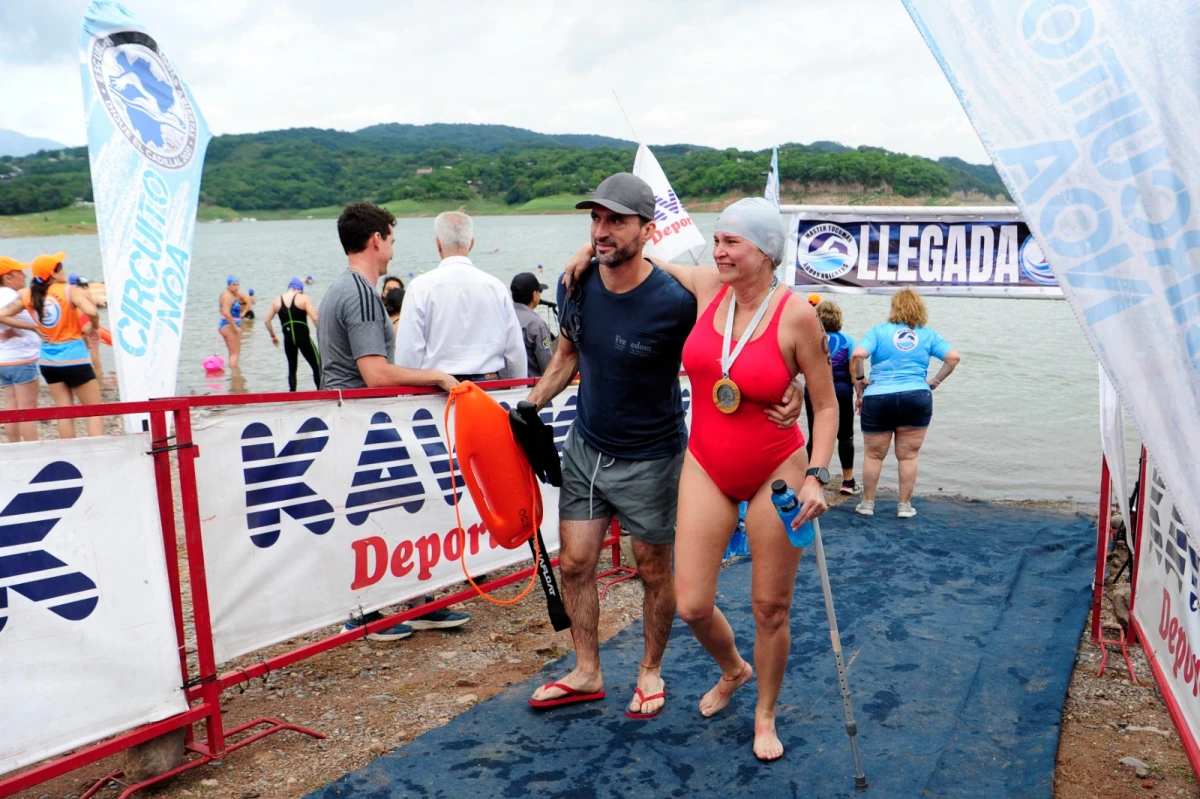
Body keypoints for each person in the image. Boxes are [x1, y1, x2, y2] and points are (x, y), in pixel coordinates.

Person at [564, 197, 834, 761]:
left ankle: (764, 713)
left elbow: (827, 406)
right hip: (707, 464)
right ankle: (733, 669)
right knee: (689, 604)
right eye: (716, 240)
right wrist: (587, 251)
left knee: (770, 607)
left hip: (775, 471)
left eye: (732, 242)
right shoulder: (710, 287)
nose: (719, 251)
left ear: (765, 251)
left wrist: (817, 476)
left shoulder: (796, 315)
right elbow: (646, 259)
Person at [317, 203, 466, 641]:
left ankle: (416, 600)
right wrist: (436, 376)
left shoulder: (343, 288)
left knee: (396, 510)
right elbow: (375, 372)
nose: (393, 250)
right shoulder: (361, 292)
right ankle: (366, 611)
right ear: (376, 240)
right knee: (369, 516)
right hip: (357, 422)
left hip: (357, 420)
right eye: (392, 240)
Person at [850, 287, 961, 518]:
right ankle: (904, 505)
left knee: (873, 455)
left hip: (878, 396)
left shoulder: (879, 331)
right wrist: (935, 381)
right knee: (908, 455)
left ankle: (868, 504)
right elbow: (953, 357)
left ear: (894, 308)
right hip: (916, 396)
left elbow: (858, 354)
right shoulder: (928, 334)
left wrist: (860, 380)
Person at [393, 212, 527, 381]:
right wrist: (518, 391)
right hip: (489, 388)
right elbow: (515, 350)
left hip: (438, 390)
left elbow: (408, 353)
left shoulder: (419, 288)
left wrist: (408, 398)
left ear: (438, 243)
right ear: (472, 243)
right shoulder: (495, 286)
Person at [0, 253, 104, 439]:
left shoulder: (28, 295)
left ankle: (68, 457)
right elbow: (92, 311)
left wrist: (33, 327)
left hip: (48, 362)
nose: (64, 270)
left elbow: (2, 315)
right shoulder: (69, 290)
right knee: (94, 412)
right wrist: (93, 327)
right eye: (60, 267)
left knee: (64, 413)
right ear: (54, 274)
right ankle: (97, 458)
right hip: (75, 358)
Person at [804, 300, 860, 494]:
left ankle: (809, 478)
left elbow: (801, 370)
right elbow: (854, 373)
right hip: (842, 393)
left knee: (814, 434)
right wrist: (860, 394)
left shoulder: (809, 339)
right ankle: (848, 482)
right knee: (845, 436)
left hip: (813, 392)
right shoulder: (847, 341)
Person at [0, 257, 40, 442]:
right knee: (27, 409)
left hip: (4, 359)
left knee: (12, 406)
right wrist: (20, 330)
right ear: (8, 277)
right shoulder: (12, 296)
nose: (24, 275)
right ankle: (33, 451)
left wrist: (11, 331)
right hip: (22, 358)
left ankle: (14, 448)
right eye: (19, 272)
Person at [263, 278, 321, 392]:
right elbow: (314, 318)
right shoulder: (303, 298)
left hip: (289, 340)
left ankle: (292, 396)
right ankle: (320, 393)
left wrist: (273, 336)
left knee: (292, 368)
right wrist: (321, 332)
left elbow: (266, 321)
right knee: (316, 366)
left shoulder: (276, 301)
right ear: (299, 289)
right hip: (304, 339)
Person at [510, 272, 553, 377]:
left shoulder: (503, 317)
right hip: (530, 385)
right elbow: (547, 365)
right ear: (534, 295)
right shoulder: (536, 324)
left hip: (504, 383)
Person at [218, 276, 251, 369]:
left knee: (232, 352)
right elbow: (226, 312)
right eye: (234, 285)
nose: (236, 287)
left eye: (237, 285)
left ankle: (232, 376)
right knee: (235, 353)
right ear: (228, 285)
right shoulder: (228, 296)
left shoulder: (228, 295)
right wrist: (235, 327)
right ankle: (235, 376)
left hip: (227, 324)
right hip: (229, 326)